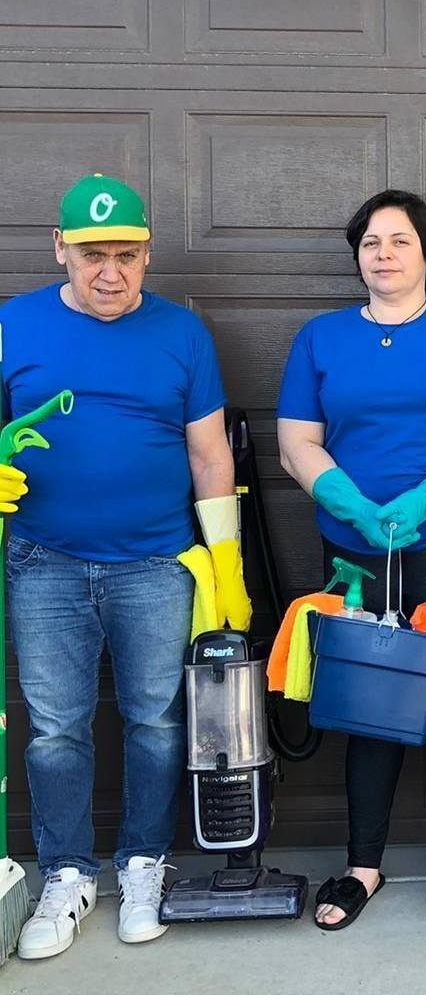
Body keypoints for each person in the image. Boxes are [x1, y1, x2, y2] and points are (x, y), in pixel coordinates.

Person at [1, 174, 247, 958]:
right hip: (43, 560)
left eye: (127, 255)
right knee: (55, 729)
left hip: (156, 563)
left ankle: (143, 863)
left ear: (147, 253)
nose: (111, 273)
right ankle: (67, 875)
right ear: (59, 249)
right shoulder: (12, 325)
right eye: (92, 255)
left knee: (155, 721)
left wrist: (226, 560)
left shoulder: (182, 333)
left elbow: (209, 455)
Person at [277, 189, 426, 935]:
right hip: (356, 554)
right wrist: (352, 504)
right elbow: (296, 441)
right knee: (368, 705)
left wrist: (425, 497)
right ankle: (363, 867)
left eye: (400, 240)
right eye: (371, 242)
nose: (384, 253)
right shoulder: (320, 338)